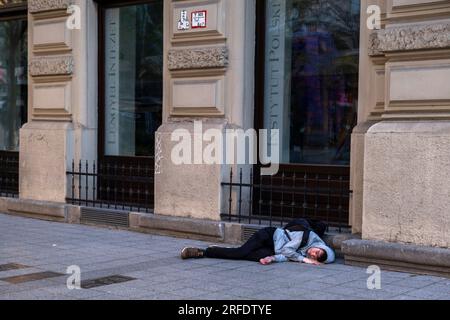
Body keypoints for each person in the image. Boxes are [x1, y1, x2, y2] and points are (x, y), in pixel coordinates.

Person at [180, 225, 335, 265]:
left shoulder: (306, 252)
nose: (313, 255)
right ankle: (203, 252)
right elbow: (287, 250)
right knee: (241, 253)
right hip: (268, 235)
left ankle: (221, 251)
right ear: (321, 247)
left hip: (273, 247)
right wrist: (303, 260)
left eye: (317, 258)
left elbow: (286, 256)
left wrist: (272, 259)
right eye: (317, 252)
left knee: (255, 257)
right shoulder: (308, 238)